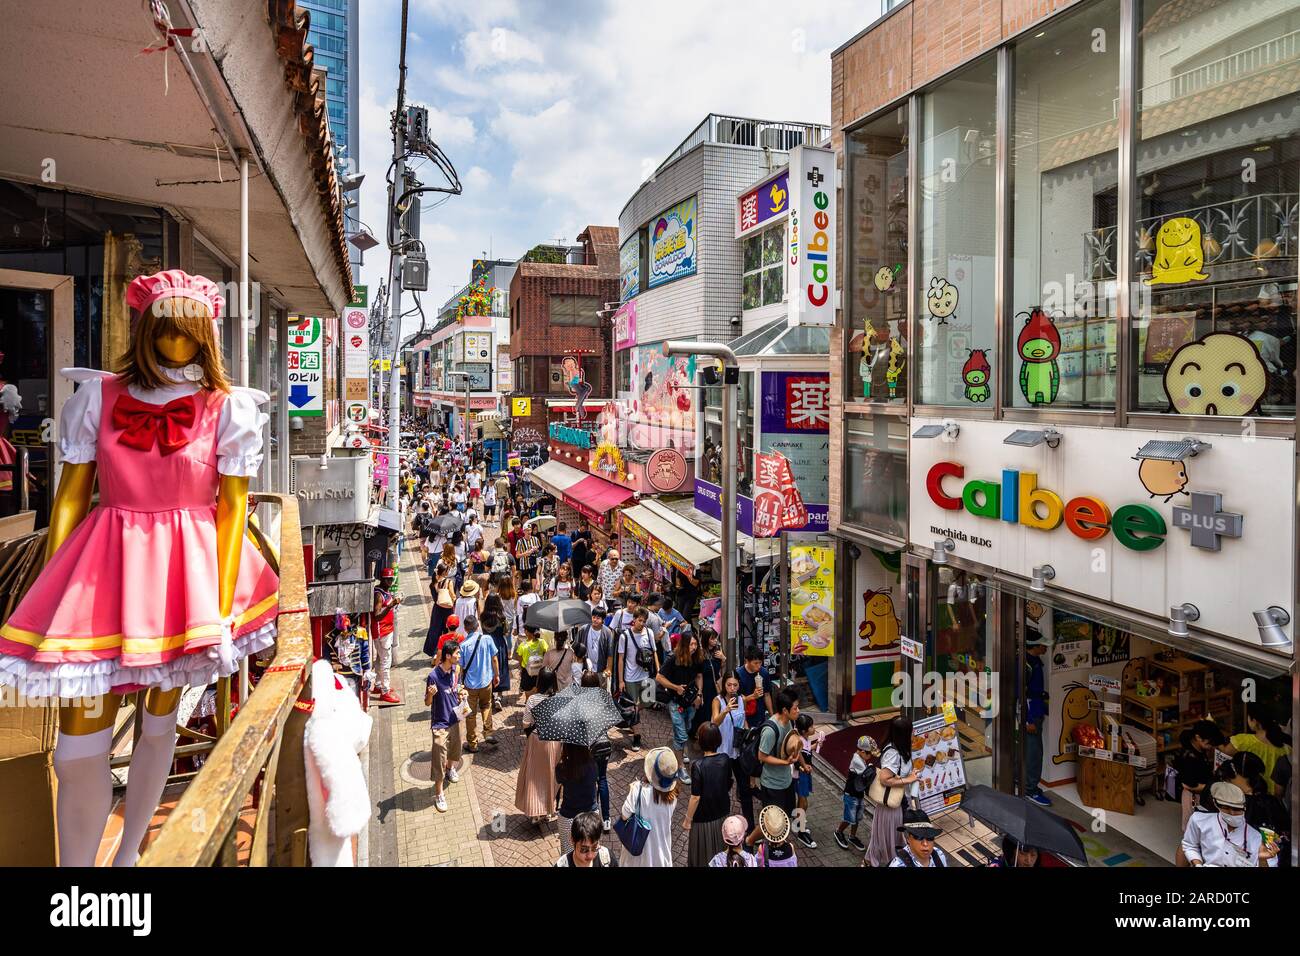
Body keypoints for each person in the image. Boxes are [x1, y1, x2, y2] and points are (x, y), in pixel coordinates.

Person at [749, 687, 800, 850]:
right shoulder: (770, 731)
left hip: (786, 780)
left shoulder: (789, 721)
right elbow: (761, 756)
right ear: (785, 710)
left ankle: (776, 840)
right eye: (795, 708)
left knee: (784, 815)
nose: (798, 711)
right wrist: (785, 763)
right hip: (772, 784)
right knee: (771, 821)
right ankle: (749, 841)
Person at [1182, 781, 1278, 867]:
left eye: (1236, 809)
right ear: (1216, 804)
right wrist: (1197, 864)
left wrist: (1262, 860)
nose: (1232, 813)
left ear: (1244, 807)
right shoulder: (1199, 821)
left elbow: (1270, 864)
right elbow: (1190, 845)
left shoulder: (1256, 837)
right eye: (1226, 808)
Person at [866, 716, 918, 867]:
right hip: (891, 806)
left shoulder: (901, 748)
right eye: (911, 730)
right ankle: (886, 861)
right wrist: (909, 779)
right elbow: (884, 779)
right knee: (891, 838)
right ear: (904, 733)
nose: (913, 732)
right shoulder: (893, 753)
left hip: (899, 803)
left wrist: (910, 775)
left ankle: (888, 860)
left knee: (893, 837)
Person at [1173, 719, 1226, 864]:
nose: (1210, 747)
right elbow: (1190, 785)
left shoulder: (1195, 749)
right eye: (1209, 743)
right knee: (1190, 838)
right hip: (1193, 798)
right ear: (1197, 737)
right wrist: (1215, 785)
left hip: (1197, 795)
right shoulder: (1189, 758)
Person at [618, 748, 679, 868]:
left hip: (637, 853)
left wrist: (633, 789)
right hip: (661, 853)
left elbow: (624, 816)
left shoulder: (638, 790)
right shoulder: (673, 796)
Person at [515, 669, 562, 824]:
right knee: (551, 776)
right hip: (554, 742)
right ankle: (548, 809)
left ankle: (535, 812)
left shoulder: (533, 699)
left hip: (536, 740)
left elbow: (526, 723)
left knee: (534, 777)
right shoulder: (559, 699)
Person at [656, 629, 704, 783]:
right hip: (675, 702)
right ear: (684, 645)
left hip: (690, 702)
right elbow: (659, 677)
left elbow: (698, 676)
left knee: (687, 728)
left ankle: (680, 751)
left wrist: (699, 695)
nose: (694, 647)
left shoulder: (696, 658)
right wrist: (675, 687)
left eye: (696, 644)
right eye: (691, 644)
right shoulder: (672, 658)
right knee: (681, 735)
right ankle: (680, 769)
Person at [683, 723, 733, 866]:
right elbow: (729, 783)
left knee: (701, 856)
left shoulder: (697, 766)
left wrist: (687, 819)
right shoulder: (725, 759)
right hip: (722, 813)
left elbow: (695, 797)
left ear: (701, 741)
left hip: (703, 820)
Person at [424, 640, 465, 813]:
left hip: (455, 718)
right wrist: (431, 695)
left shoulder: (456, 670)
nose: (459, 656)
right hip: (440, 723)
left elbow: (457, 689)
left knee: (455, 749)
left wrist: (462, 693)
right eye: (457, 653)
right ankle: (439, 793)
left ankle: (451, 769)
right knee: (439, 755)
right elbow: (427, 703)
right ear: (448, 656)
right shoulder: (433, 676)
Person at [712, 672, 756, 829]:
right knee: (722, 789)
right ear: (724, 685)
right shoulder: (717, 701)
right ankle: (721, 824)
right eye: (729, 685)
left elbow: (743, 720)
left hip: (738, 751)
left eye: (735, 685)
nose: (732, 688)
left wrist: (749, 734)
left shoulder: (741, 699)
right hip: (723, 752)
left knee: (745, 790)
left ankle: (750, 827)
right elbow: (714, 723)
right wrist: (725, 711)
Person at [1221, 703, 1292, 796]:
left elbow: (1223, 755)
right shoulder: (1287, 748)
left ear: (1254, 721)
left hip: (1249, 795)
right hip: (1274, 798)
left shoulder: (1242, 741)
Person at [615, 608, 659, 752]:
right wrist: (621, 680)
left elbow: (654, 652)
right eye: (640, 620)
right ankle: (637, 737)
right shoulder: (625, 636)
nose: (642, 623)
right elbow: (620, 659)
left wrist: (658, 671)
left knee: (649, 700)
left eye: (644, 621)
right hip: (630, 677)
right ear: (634, 619)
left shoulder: (649, 633)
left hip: (646, 675)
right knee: (634, 708)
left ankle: (627, 714)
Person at [457, 615, 499, 753]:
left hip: (470, 686)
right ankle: (488, 733)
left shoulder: (462, 646)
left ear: (465, 629)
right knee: (486, 706)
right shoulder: (487, 639)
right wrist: (496, 675)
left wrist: (459, 685)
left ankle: (473, 744)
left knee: (470, 714)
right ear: (477, 626)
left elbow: (461, 668)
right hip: (486, 681)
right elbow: (494, 659)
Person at [834, 734, 880, 852]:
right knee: (850, 817)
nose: (870, 756)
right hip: (851, 794)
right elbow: (867, 774)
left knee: (857, 817)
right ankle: (838, 832)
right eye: (869, 753)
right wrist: (871, 767)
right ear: (862, 751)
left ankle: (852, 836)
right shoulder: (857, 760)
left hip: (859, 794)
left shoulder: (862, 759)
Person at [1022, 632, 1051, 806]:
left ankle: (1027, 784)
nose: (1045, 647)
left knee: (1032, 749)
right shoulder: (1027, 665)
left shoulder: (1033, 662)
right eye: (1042, 644)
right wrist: (1028, 719)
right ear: (1034, 647)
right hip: (1032, 713)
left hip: (1037, 710)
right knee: (1034, 752)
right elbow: (1021, 694)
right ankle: (1030, 789)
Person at [556, 742, 599, 856]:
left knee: (568, 856)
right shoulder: (593, 765)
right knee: (590, 855)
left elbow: (558, 779)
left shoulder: (563, 767)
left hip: (568, 817)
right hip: (591, 816)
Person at [371, 569, 402, 705]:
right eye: (388, 579)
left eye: (391, 579)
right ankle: (385, 691)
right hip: (382, 632)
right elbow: (376, 615)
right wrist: (391, 606)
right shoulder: (379, 595)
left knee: (380, 659)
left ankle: (378, 684)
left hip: (386, 631)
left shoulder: (384, 591)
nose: (390, 582)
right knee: (385, 661)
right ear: (382, 579)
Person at [792, 713, 823, 849]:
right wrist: (804, 767)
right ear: (804, 730)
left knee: (802, 802)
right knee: (803, 803)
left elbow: (805, 750)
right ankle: (801, 831)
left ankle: (798, 824)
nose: (814, 728)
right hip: (800, 776)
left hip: (804, 774)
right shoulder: (798, 741)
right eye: (811, 726)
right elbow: (797, 758)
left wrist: (816, 745)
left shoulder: (804, 739)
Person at [579, 605, 614, 692]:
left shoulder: (607, 632)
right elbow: (578, 648)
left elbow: (610, 653)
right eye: (593, 617)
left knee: (600, 694)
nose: (595, 620)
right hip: (586, 670)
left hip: (600, 670)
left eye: (598, 618)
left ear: (603, 620)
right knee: (585, 693)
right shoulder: (584, 629)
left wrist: (609, 668)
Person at [737, 645, 773, 728]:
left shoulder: (764, 673)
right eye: (755, 663)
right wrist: (753, 696)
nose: (758, 666)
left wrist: (771, 715)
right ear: (747, 661)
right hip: (745, 715)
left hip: (760, 713)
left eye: (760, 662)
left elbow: (767, 695)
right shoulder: (739, 674)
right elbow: (738, 698)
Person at [515, 624, 548, 699]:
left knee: (528, 691)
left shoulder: (523, 645)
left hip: (527, 672)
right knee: (538, 688)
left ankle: (528, 703)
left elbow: (519, 658)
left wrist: (523, 667)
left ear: (526, 632)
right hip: (539, 670)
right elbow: (545, 653)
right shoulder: (542, 642)